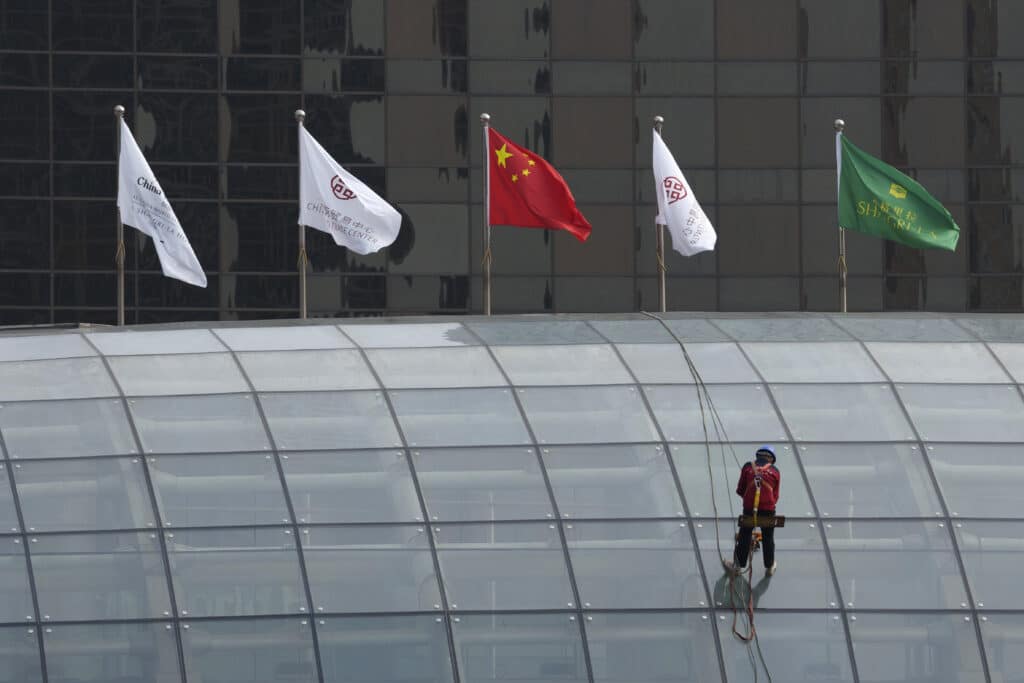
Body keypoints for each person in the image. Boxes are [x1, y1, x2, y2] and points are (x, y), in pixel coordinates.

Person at [725, 445, 780, 576]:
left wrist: (750, 500)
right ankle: (770, 566)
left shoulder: (747, 467)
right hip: (768, 510)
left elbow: (740, 489)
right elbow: (776, 495)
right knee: (768, 537)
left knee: (745, 535)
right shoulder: (775, 471)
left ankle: (737, 566)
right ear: (771, 459)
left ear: (757, 456)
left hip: (749, 510)